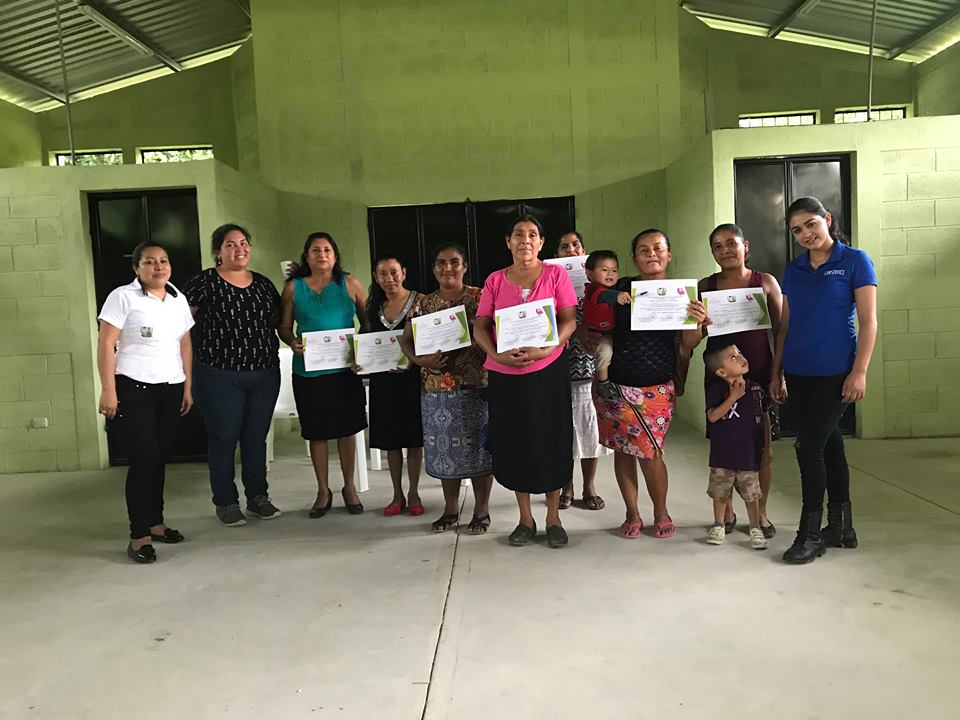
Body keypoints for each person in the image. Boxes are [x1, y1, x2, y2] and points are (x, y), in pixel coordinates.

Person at [771, 197, 877, 565]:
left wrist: (859, 371)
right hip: (800, 371)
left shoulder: (854, 261)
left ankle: (810, 534)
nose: (805, 234)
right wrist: (777, 370)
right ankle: (842, 527)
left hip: (836, 372)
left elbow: (869, 322)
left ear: (827, 220)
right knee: (830, 447)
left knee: (808, 448)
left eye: (811, 224)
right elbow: (785, 326)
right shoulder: (795, 269)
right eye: (797, 230)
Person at [588, 228, 706, 540]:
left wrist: (696, 321)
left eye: (657, 248)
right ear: (635, 257)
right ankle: (632, 512)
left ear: (669, 254)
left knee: (651, 454)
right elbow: (596, 311)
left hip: (657, 390)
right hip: (616, 387)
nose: (651, 254)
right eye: (643, 249)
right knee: (624, 452)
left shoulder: (683, 293)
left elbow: (688, 344)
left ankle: (661, 511)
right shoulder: (623, 287)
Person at [474, 216, 578, 548]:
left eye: (532, 234)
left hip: (547, 372)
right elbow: (480, 326)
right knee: (515, 441)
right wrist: (497, 355)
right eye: (518, 235)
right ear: (508, 242)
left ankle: (552, 517)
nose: (525, 240)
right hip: (506, 375)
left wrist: (546, 349)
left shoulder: (555, 275)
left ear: (541, 242)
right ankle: (525, 519)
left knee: (550, 438)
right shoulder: (494, 280)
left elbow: (569, 321)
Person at [97, 242, 194, 563]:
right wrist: (108, 390)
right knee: (143, 459)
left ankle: (155, 522)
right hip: (134, 387)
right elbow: (106, 343)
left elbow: (184, 343)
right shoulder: (122, 297)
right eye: (150, 262)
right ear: (136, 268)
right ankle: (138, 535)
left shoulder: (177, 298)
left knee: (160, 457)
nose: (158, 267)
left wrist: (187, 385)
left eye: (164, 261)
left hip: (171, 387)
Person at [183, 224, 282, 527]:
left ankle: (258, 498)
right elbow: (181, 327)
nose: (239, 249)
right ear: (218, 251)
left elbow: (281, 322)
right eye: (230, 244)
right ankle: (225, 502)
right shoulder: (203, 282)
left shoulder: (264, 284)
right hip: (218, 375)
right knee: (224, 440)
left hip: (264, 374)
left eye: (243, 243)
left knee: (255, 439)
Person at [399, 242, 495, 534]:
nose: (448, 268)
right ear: (434, 269)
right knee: (444, 452)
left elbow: (496, 330)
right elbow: (406, 339)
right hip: (436, 389)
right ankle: (450, 509)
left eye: (454, 262)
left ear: (464, 266)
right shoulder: (423, 303)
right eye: (441, 263)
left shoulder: (480, 296)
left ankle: (481, 511)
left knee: (480, 450)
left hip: (476, 385)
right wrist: (419, 359)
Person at [696, 223, 783, 538]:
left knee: (761, 449)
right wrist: (699, 323)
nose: (725, 250)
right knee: (726, 447)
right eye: (717, 246)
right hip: (719, 380)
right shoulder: (706, 286)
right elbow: (692, 336)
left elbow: (781, 330)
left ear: (745, 245)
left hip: (759, 377)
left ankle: (760, 514)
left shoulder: (765, 282)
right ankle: (728, 513)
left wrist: (778, 374)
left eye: (731, 243)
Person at [278, 232, 368, 518]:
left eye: (327, 250)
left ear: (335, 255)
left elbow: (366, 323)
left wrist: (360, 351)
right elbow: (283, 326)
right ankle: (323, 490)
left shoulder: (349, 283)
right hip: (308, 372)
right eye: (315, 250)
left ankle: (349, 487)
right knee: (316, 432)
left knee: (347, 430)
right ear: (306, 256)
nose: (322, 255)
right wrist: (292, 342)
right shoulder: (293, 288)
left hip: (344, 370)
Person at [361, 254, 424, 516]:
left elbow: (428, 338)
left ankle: (414, 492)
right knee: (390, 439)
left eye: (394, 272)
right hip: (383, 381)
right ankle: (396, 494)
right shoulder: (373, 307)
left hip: (412, 380)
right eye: (383, 274)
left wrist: (415, 359)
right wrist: (360, 361)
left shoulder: (420, 301)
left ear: (404, 272)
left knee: (413, 438)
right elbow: (365, 339)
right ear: (376, 277)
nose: (389, 278)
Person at [554, 232, 611, 512]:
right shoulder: (549, 281)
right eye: (564, 246)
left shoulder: (597, 285)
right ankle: (566, 485)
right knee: (563, 431)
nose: (570, 249)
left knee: (590, 429)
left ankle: (589, 486)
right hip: (556, 367)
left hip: (589, 367)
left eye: (575, 245)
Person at [703, 344, 769, 550]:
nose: (741, 357)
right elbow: (713, 416)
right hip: (723, 456)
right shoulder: (716, 390)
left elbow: (763, 418)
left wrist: (767, 447)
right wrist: (733, 398)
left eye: (740, 353)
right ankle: (719, 524)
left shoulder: (756, 388)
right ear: (721, 372)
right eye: (732, 357)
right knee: (720, 493)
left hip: (748, 455)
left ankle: (755, 526)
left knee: (752, 494)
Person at [581, 249, 631, 383]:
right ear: (589, 273)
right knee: (605, 352)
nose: (610, 274)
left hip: (611, 332)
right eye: (604, 270)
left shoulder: (615, 288)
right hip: (597, 335)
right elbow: (602, 296)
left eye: (614, 270)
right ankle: (603, 383)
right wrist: (617, 296)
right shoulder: (592, 289)